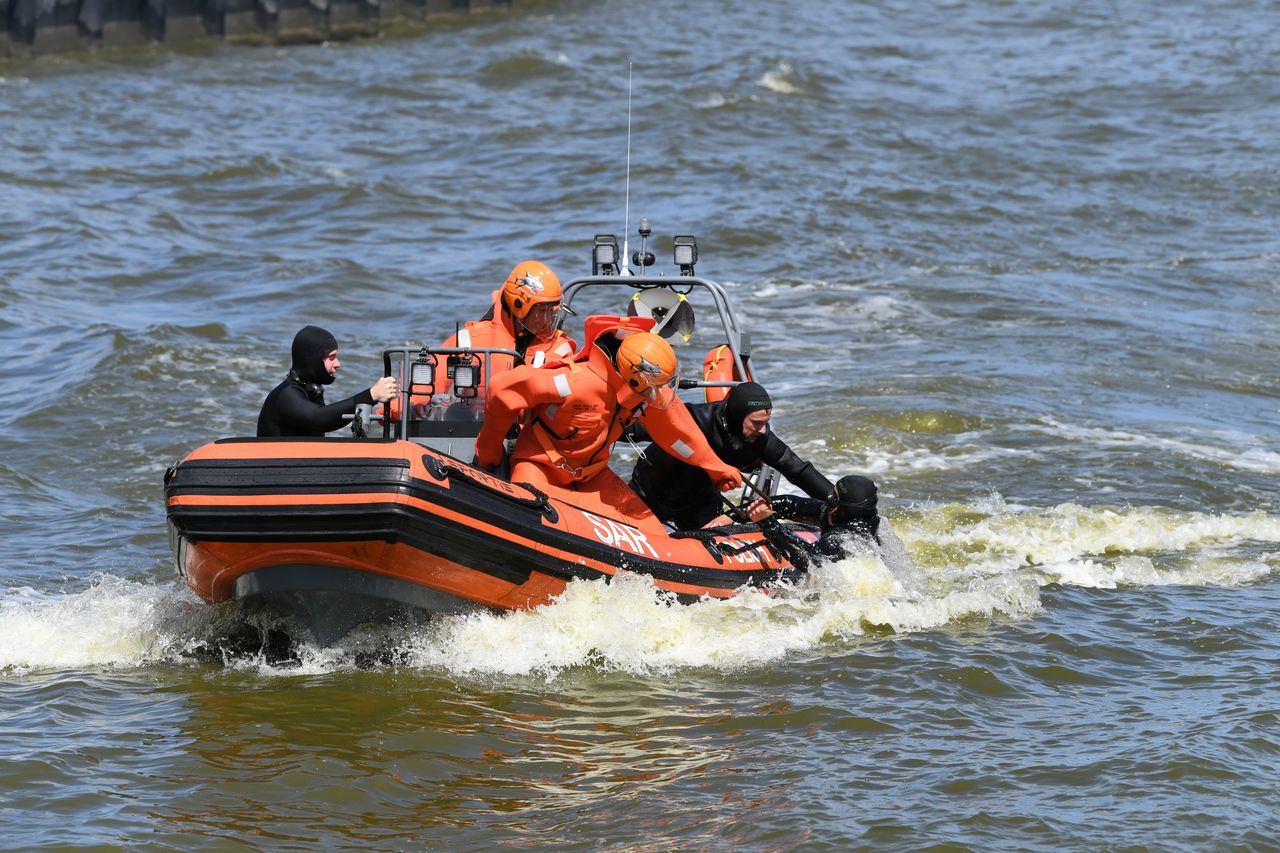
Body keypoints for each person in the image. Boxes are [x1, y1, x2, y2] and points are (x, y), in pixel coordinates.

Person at [473, 318, 742, 523]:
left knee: (652, 535)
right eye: (654, 387)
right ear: (634, 378)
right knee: (531, 520)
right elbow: (503, 389)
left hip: (592, 476)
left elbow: (676, 431)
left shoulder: (642, 395)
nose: (656, 394)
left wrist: (715, 467)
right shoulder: (574, 382)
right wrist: (489, 453)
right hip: (539, 470)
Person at [628, 381, 834, 530]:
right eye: (756, 423)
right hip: (650, 495)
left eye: (765, 423)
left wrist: (837, 502)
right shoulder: (695, 420)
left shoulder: (760, 438)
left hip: (699, 503)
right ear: (736, 415)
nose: (763, 430)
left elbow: (798, 470)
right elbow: (630, 429)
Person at [435, 260, 577, 390]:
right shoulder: (468, 340)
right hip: (477, 417)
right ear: (519, 306)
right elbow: (424, 393)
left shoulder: (560, 348)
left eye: (550, 311)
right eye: (541, 310)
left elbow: (566, 396)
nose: (547, 319)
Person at [257, 325, 397, 437]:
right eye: (331, 358)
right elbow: (318, 418)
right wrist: (370, 396)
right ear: (312, 360)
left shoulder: (309, 389)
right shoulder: (286, 395)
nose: (338, 364)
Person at [744, 474, 881, 570]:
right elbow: (791, 504)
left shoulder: (843, 540)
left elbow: (807, 560)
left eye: (832, 499)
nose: (826, 501)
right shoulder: (859, 518)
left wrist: (768, 524)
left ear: (841, 510)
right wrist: (733, 515)